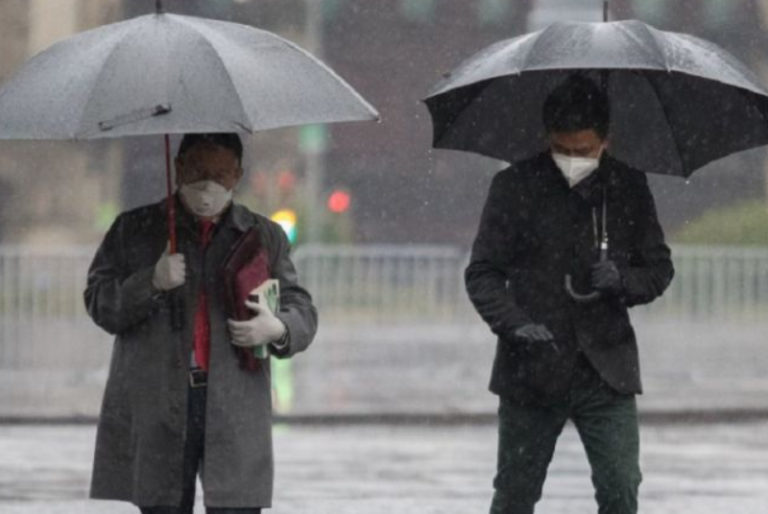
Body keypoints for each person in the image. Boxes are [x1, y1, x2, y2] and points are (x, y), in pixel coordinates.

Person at [465, 75, 674, 514]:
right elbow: (482, 273)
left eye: (584, 151)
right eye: (563, 150)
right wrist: (515, 323)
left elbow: (658, 269)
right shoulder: (514, 186)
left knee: (621, 487)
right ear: (548, 139)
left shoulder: (628, 187)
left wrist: (622, 280)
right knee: (515, 493)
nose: (573, 159)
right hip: (531, 369)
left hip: (607, 369)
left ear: (605, 140)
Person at [84, 133, 318, 513]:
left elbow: (301, 306)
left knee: (235, 505)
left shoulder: (262, 236)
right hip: (158, 399)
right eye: (197, 171)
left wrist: (279, 327)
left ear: (238, 175)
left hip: (233, 402)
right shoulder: (135, 229)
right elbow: (100, 303)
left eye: (221, 173)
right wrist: (150, 281)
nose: (208, 184)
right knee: (163, 502)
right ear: (177, 169)